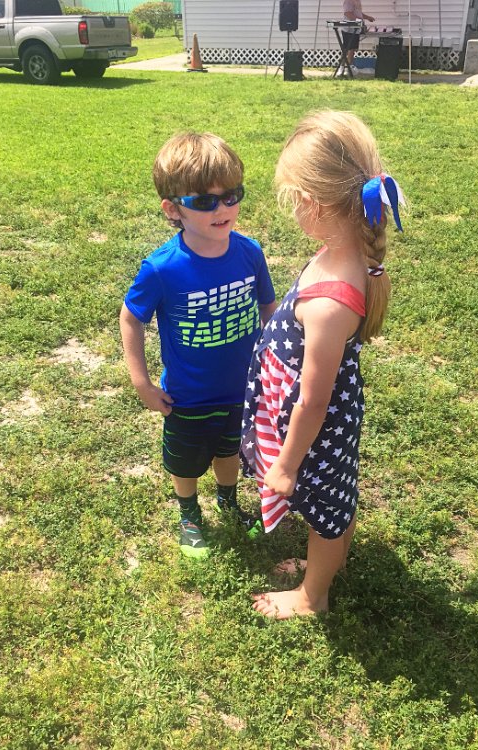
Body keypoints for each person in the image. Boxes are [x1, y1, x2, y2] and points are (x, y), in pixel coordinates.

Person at [241, 110, 405, 618]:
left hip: (315, 428)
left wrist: (286, 464)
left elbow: (313, 400)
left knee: (326, 512)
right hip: (326, 418)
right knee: (334, 499)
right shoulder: (342, 254)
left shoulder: (331, 301)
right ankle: (324, 566)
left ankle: (314, 596)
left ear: (313, 203)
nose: (293, 210)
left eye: (293, 200)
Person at [120, 132, 277, 559]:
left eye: (231, 196)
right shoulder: (162, 268)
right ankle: (189, 514)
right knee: (185, 461)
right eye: (205, 201)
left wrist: (274, 361)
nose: (222, 209)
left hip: (242, 387)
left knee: (229, 451)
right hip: (186, 396)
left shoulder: (250, 253)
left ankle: (228, 501)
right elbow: (131, 318)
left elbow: (268, 306)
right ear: (173, 209)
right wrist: (142, 383)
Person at [341, 0, 375, 74]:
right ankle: (341, 68)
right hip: (348, 29)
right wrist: (359, 21)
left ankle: (348, 68)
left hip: (356, 29)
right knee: (346, 49)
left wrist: (368, 17)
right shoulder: (348, 1)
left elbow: (359, 14)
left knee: (352, 49)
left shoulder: (358, 1)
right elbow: (347, 13)